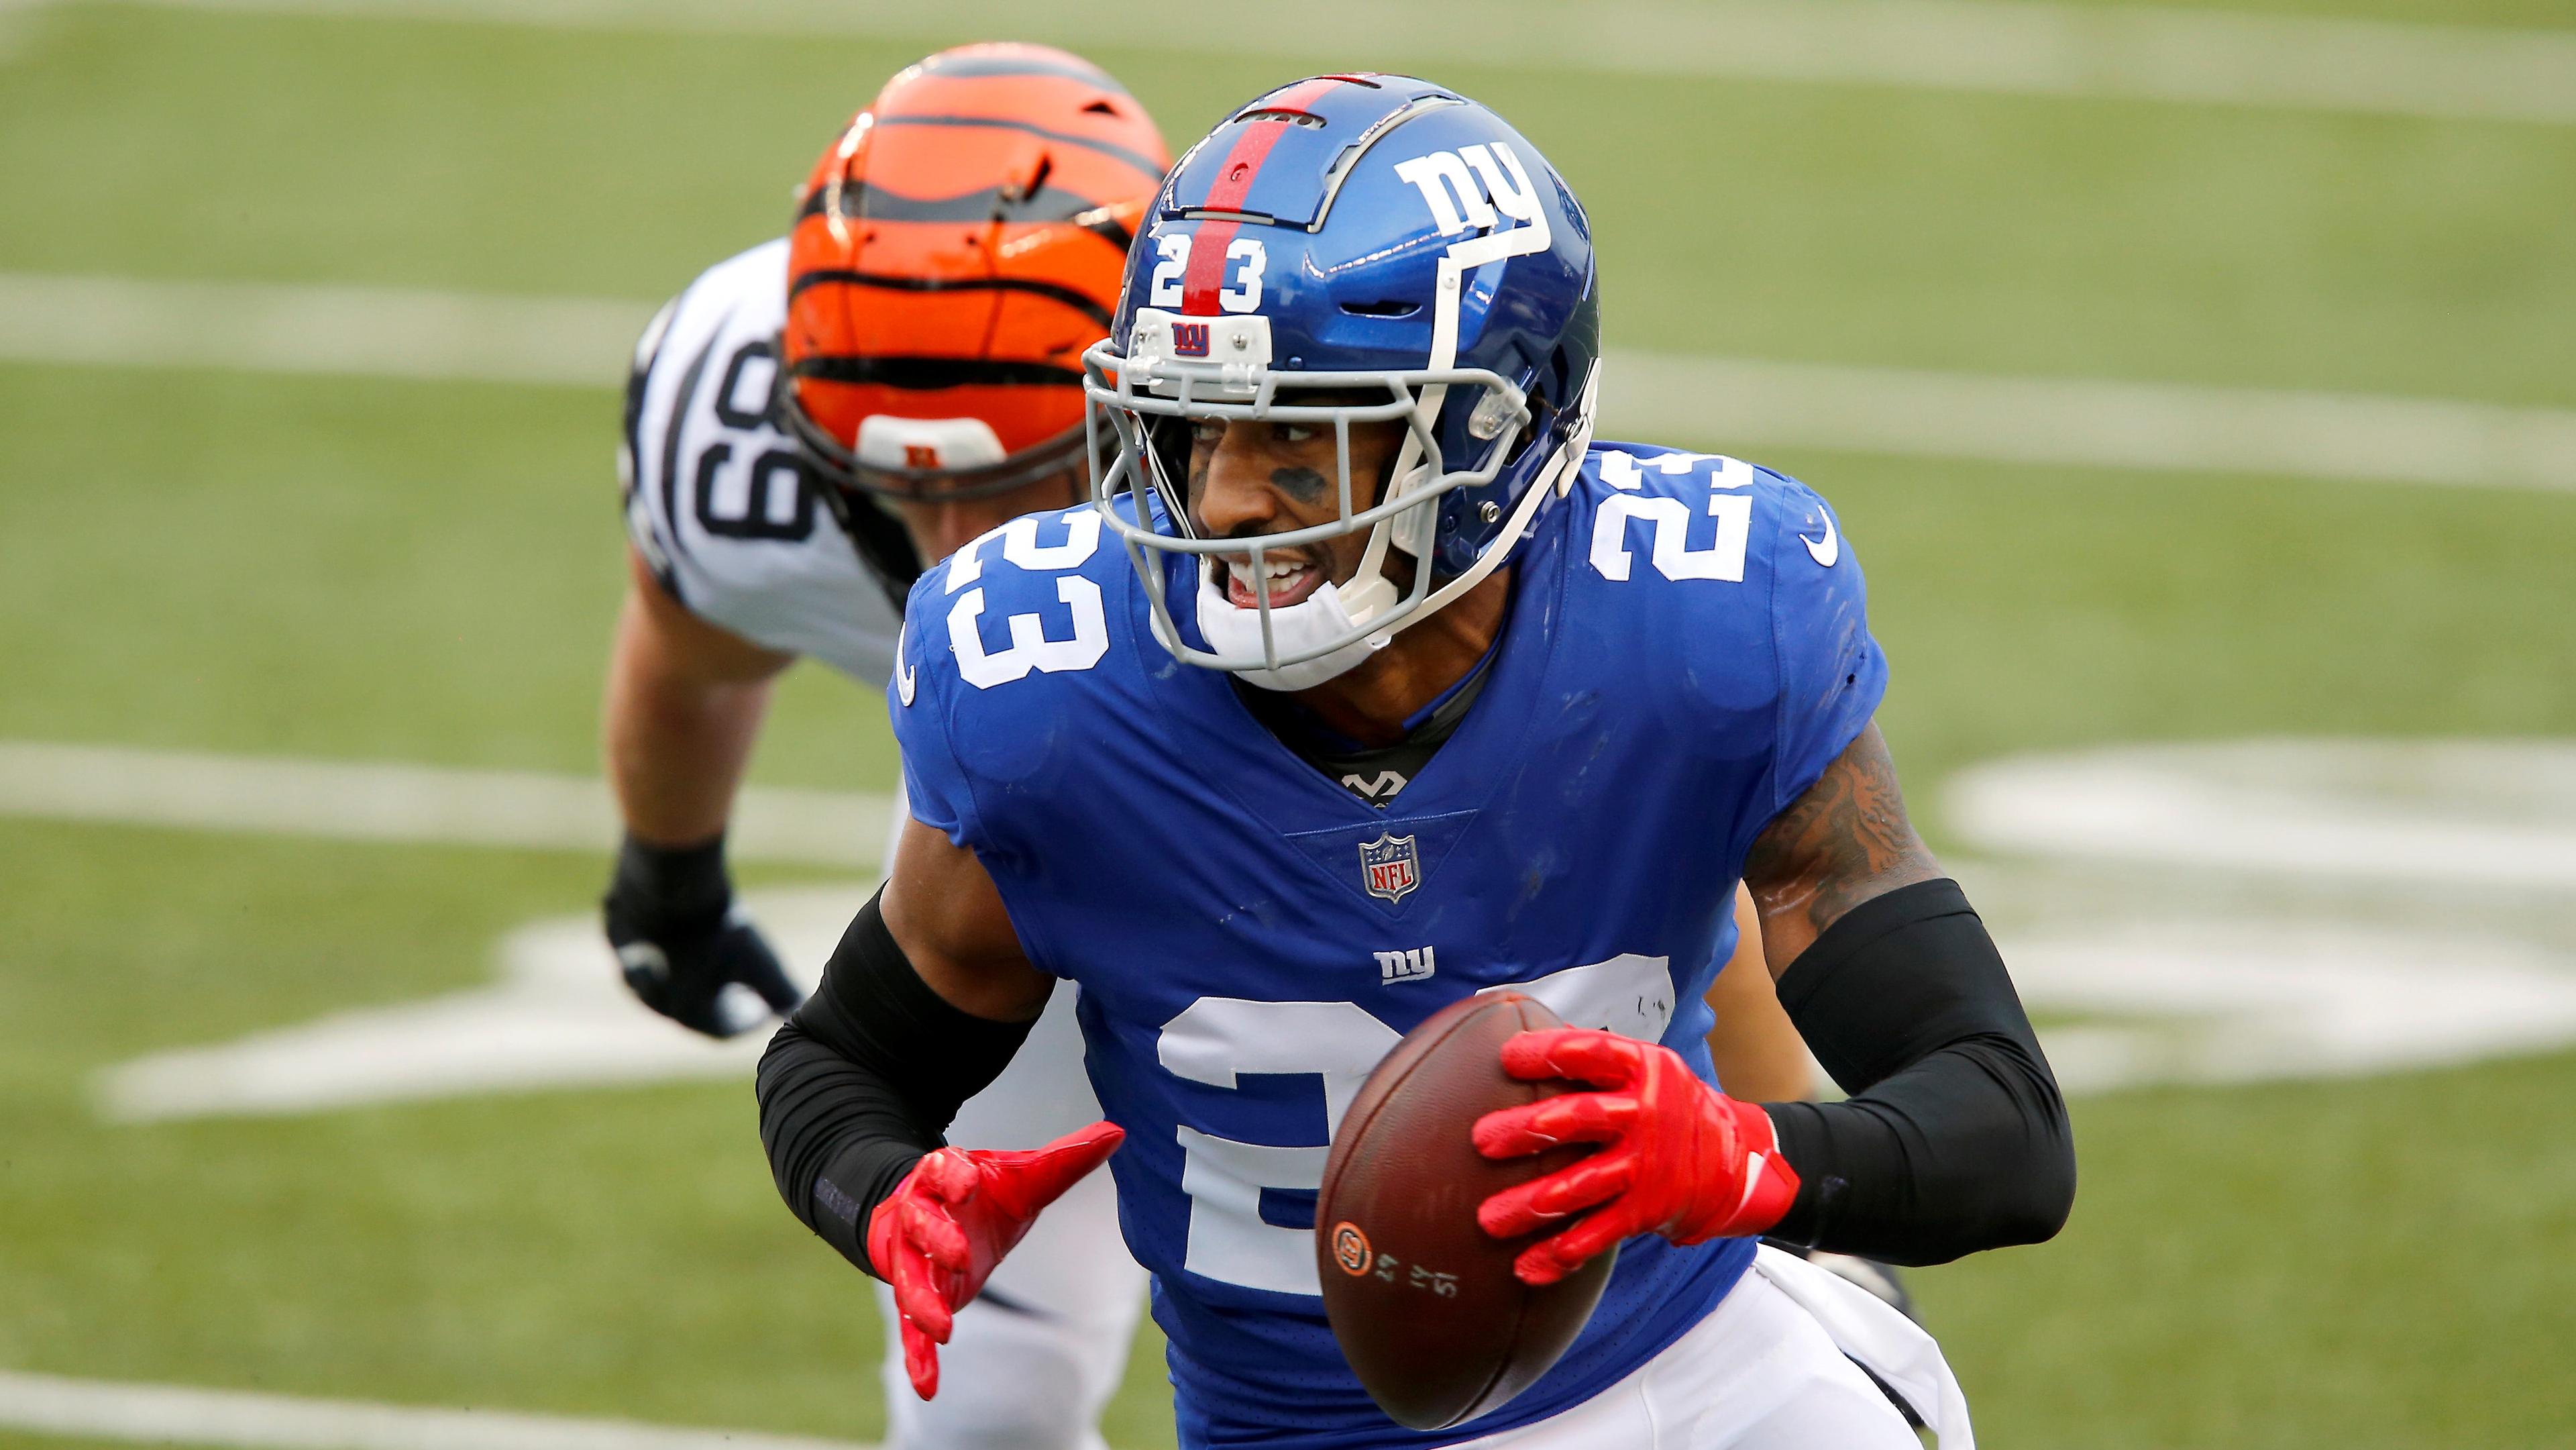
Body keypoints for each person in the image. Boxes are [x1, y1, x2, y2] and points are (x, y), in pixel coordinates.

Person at [761, 74, 2072, 1449]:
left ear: (1490, 430)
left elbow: (2003, 1123)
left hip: (1698, 1377)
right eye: (1195, 422)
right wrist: (880, 1193)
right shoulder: (1049, 694)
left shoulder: (1699, 618)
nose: (1219, 498)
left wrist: (1745, 1157)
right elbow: (838, 1063)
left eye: (1299, 437)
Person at [601, 44, 1173, 1450]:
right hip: (1017, 846)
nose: (967, 563)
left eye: (1014, 482)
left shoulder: (1274, 443)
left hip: (1349, 853)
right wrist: (669, 873)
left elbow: (1601, 752)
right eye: (903, 493)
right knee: (986, 1405)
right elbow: (689, 647)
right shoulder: (728, 428)